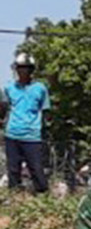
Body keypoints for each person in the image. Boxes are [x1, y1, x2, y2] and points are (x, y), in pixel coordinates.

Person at [3, 52, 50, 193]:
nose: (22, 71)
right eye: (20, 68)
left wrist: (45, 129)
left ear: (31, 70)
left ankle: (43, 197)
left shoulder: (40, 89)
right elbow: (4, 108)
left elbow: (46, 111)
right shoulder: (9, 88)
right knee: (13, 170)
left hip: (32, 136)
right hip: (12, 134)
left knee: (36, 169)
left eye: (26, 68)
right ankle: (14, 197)